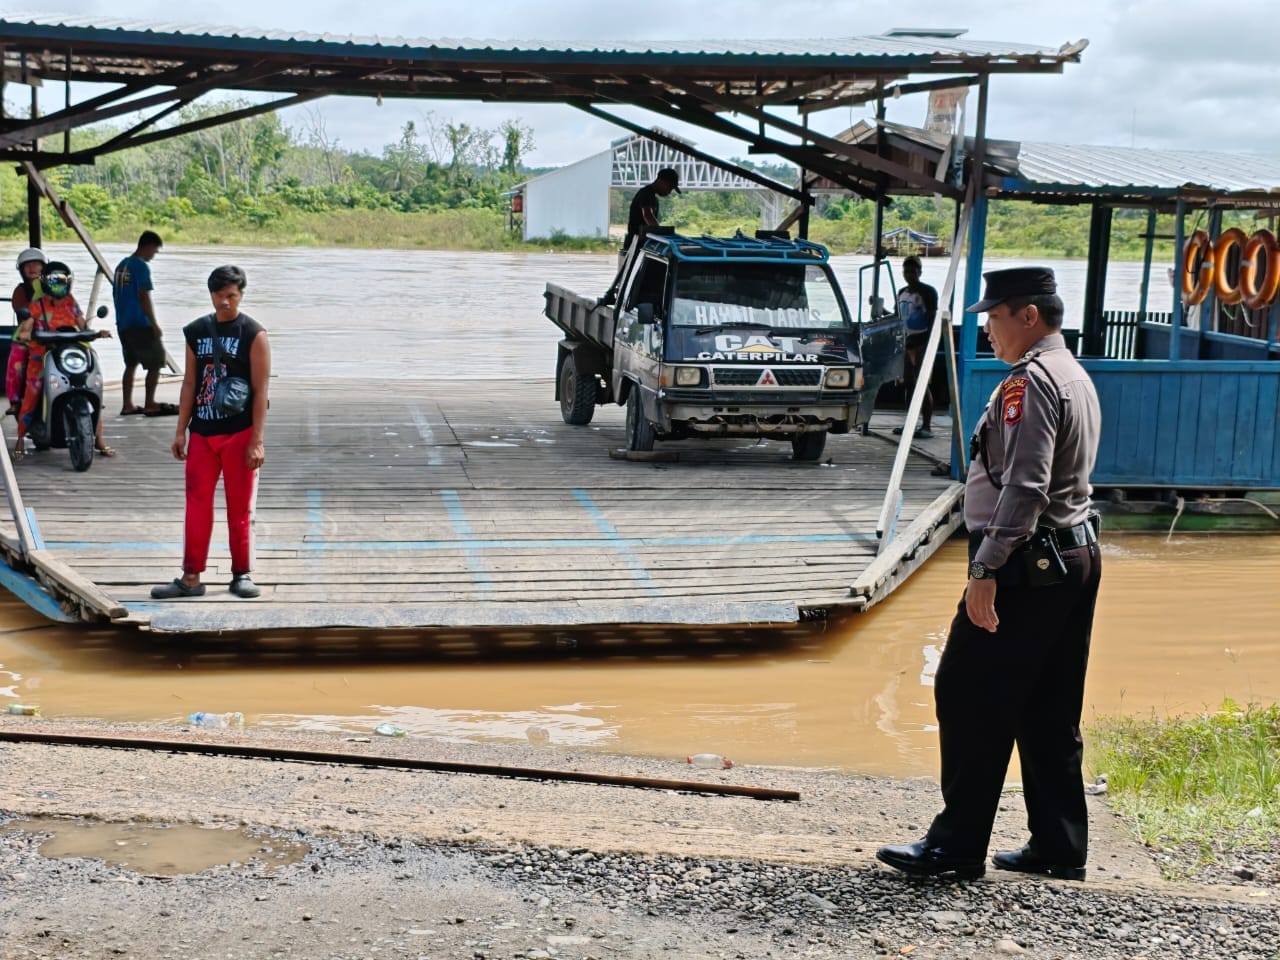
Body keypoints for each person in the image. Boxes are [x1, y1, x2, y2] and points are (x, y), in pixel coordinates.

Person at [876, 267, 1103, 882]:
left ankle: (955, 848)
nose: (986, 328)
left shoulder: (1028, 385)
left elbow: (1026, 485)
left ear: (1028, 315)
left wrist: (985, 568)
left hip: (1027, 564)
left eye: (993, 316)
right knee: (1048, 706)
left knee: (967, 692)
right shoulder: (1073, 373)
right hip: (1073, 555)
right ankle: (1058, 846)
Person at [151, 265, 269, 600]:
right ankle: (191, 578)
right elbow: (189, 382)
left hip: (240, 432)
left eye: (232, 295)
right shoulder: (197, 331)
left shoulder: (254, 334)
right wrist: (180, 431)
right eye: (220, 295)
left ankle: (241, 573)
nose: (226, 302)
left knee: (240, 507)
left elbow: (261, 391)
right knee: (197, 505)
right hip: (203, 432)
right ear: (211, 295)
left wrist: (257, 441)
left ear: (241, 294)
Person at [12, 262, 115, 462]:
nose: (58, 284)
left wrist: (97, 333)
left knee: (92, 386)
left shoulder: (71, 302)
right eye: (53, 280)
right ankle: (20, 439)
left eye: (62, 280)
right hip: (42, 354)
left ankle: (99, 438)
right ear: (44, 282)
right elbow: (25, 329)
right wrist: (28, 334)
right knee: (32, 393)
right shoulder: (36, 305)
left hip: (70, 352)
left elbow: (82, 324)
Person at [113, 230, 175, 416]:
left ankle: (127, 404)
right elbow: (143, 296)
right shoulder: (140, 266)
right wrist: (154, 323)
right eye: (154, 251)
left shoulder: (121, 266)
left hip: (124, 324)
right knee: (156, 362)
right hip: (140, 323)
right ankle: (149, 403)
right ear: (147, 246)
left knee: (130, 364)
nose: (153, 256)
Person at [598, 167, 681, 305]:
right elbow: (647, 215)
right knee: (633, 274)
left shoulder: (652, 196)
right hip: (636, 243)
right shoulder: (646, 194)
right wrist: (661, 234)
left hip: (644, 243)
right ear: (662, 182)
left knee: (642, 277)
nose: (669, 191)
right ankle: (627, 301)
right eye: (670, 187)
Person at [893, 255, 939, 439]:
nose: (910, 275)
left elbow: (932, 319)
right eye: (907, 271)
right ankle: (910, 422)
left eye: (913, 271)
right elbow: (899, 317)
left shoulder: (927, 292)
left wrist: (926, 345)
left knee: (922, 384)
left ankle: (927, 425)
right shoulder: (902, 292)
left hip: (921, 343)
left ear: (919, 272)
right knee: (909, 384)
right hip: (906, 342)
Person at [7, 248, 46, 417]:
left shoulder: (52, 286)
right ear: (21, 270)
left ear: (43, 267)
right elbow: (26, 312)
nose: (32, 268)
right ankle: (15, 401)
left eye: (36, 264)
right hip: (27, 335)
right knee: (17, 359)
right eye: (27, 265)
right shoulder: (20, 290)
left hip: (52, 333)